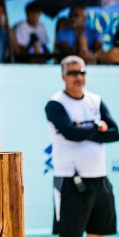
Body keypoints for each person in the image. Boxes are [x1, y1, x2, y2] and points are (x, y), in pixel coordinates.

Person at [45, 55, 118, 237]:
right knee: (69, 234)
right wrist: (96, 126)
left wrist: (82, 129)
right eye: (72, 73)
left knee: (98, 232)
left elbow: (115, 133)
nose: (78, 77)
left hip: (100, 179)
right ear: (63, 76)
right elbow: (71, 134)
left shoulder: (95, 100)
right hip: (71, 180)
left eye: (81, 72)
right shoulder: (55, 104)